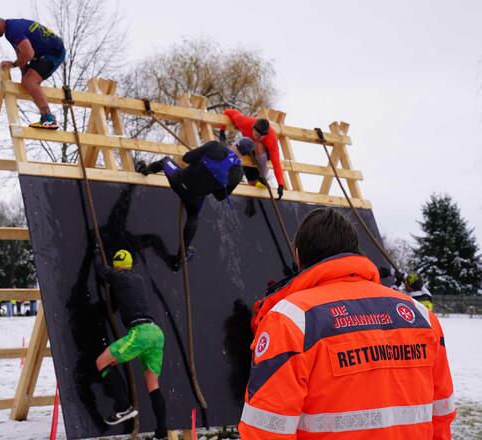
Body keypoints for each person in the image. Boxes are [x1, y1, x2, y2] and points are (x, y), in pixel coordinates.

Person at [240, 208, 455, 438]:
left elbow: (265, 429)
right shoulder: (421, 317)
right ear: (355, 250)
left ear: (298, 256)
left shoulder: (291, 320)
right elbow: (441, 414)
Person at [93, 247, 168, 439]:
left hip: (140, 333)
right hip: (156, 333)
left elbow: (101, 270)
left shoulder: (117, 277)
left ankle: (124, 407)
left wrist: (96, 251)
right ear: (131, 265)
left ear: (117, 266)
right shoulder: (137, 279)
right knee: (153, 384)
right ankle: (162, 430)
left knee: (101, 362)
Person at [135, 140, 244, 269]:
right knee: (193, 217)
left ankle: (144, 170)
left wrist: (201, 163)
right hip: (193, 198)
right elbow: (219, 196)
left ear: (235, 145)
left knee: (164, 161)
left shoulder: (215, 147)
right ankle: (181, 255)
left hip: (178, 181)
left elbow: (187, 158)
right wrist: (210, 182)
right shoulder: (238, 174)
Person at [0, 10, 65, 130]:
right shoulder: (11, 27)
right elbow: (21, 53)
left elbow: (28, 54)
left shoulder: (13, 31)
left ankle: (49, 119)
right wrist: (23, 71)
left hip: (53, 52)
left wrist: (14, 65)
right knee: (27, 81)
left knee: (29, 82)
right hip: (44, 52)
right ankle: (46, 116)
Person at [223, 109, 285, 199]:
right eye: (256, 135)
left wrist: (280, 184)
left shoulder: (271, 140)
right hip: (250, 150)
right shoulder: (244, 122)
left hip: (263, 155)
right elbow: (228, 111)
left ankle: (262, 177)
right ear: (252, 128)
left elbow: (276, 163)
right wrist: (222, 130)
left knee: (258, 144)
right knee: (240, 145)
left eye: (261, 137)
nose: (258, 137)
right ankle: (225, 168)